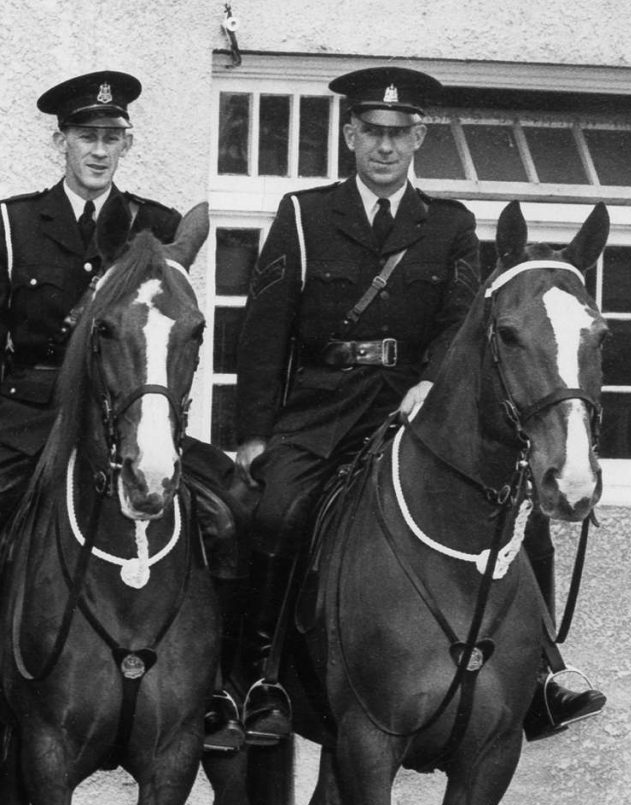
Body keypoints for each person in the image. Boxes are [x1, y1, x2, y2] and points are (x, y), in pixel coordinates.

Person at [232, 64, 604, 742]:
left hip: (419, 410)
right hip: (322, 408)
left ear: (419, 138)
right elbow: (264, 329)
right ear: (349, 133)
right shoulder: (304, 215)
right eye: (372, 131)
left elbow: (458, 325)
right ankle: (260, 676)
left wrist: (428, 385)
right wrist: (255, 433)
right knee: (278, 514)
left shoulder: (451, 225)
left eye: (398, 134)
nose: (384, 146)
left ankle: (544, 673)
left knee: (527, 517)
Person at [0, 71, 244, 748]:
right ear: (61, 141)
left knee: (226, 513)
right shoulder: (12, 223)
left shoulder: (155, 229)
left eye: (111, 137)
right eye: (85, 136)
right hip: (31, 416)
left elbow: (172, 338)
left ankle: (224, 683)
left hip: (125, 417)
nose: (98, 151)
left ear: (124, 144)